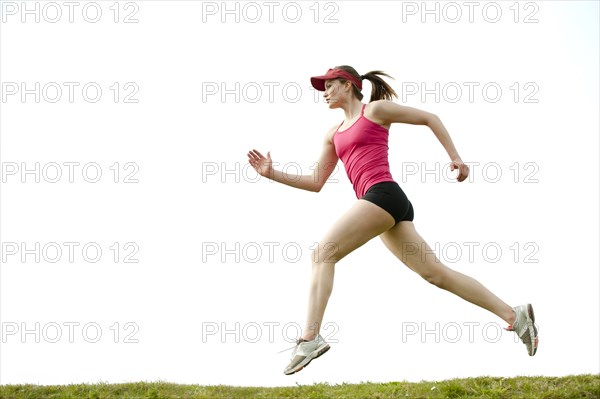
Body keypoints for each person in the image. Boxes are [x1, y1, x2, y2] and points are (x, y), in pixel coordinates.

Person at [246, 66, 538, 375]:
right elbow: (317, 181)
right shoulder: (332, 135)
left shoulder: (375, 110)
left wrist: (456, 157)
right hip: (386, 207)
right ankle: (515, 315)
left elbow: (430, 118)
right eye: (324, 87)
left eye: (330, 85)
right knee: (436, 274)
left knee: (322, 253)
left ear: (348, 86)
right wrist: (271, 174)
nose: (325, 92)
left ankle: (309, 338)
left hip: (382, 195)